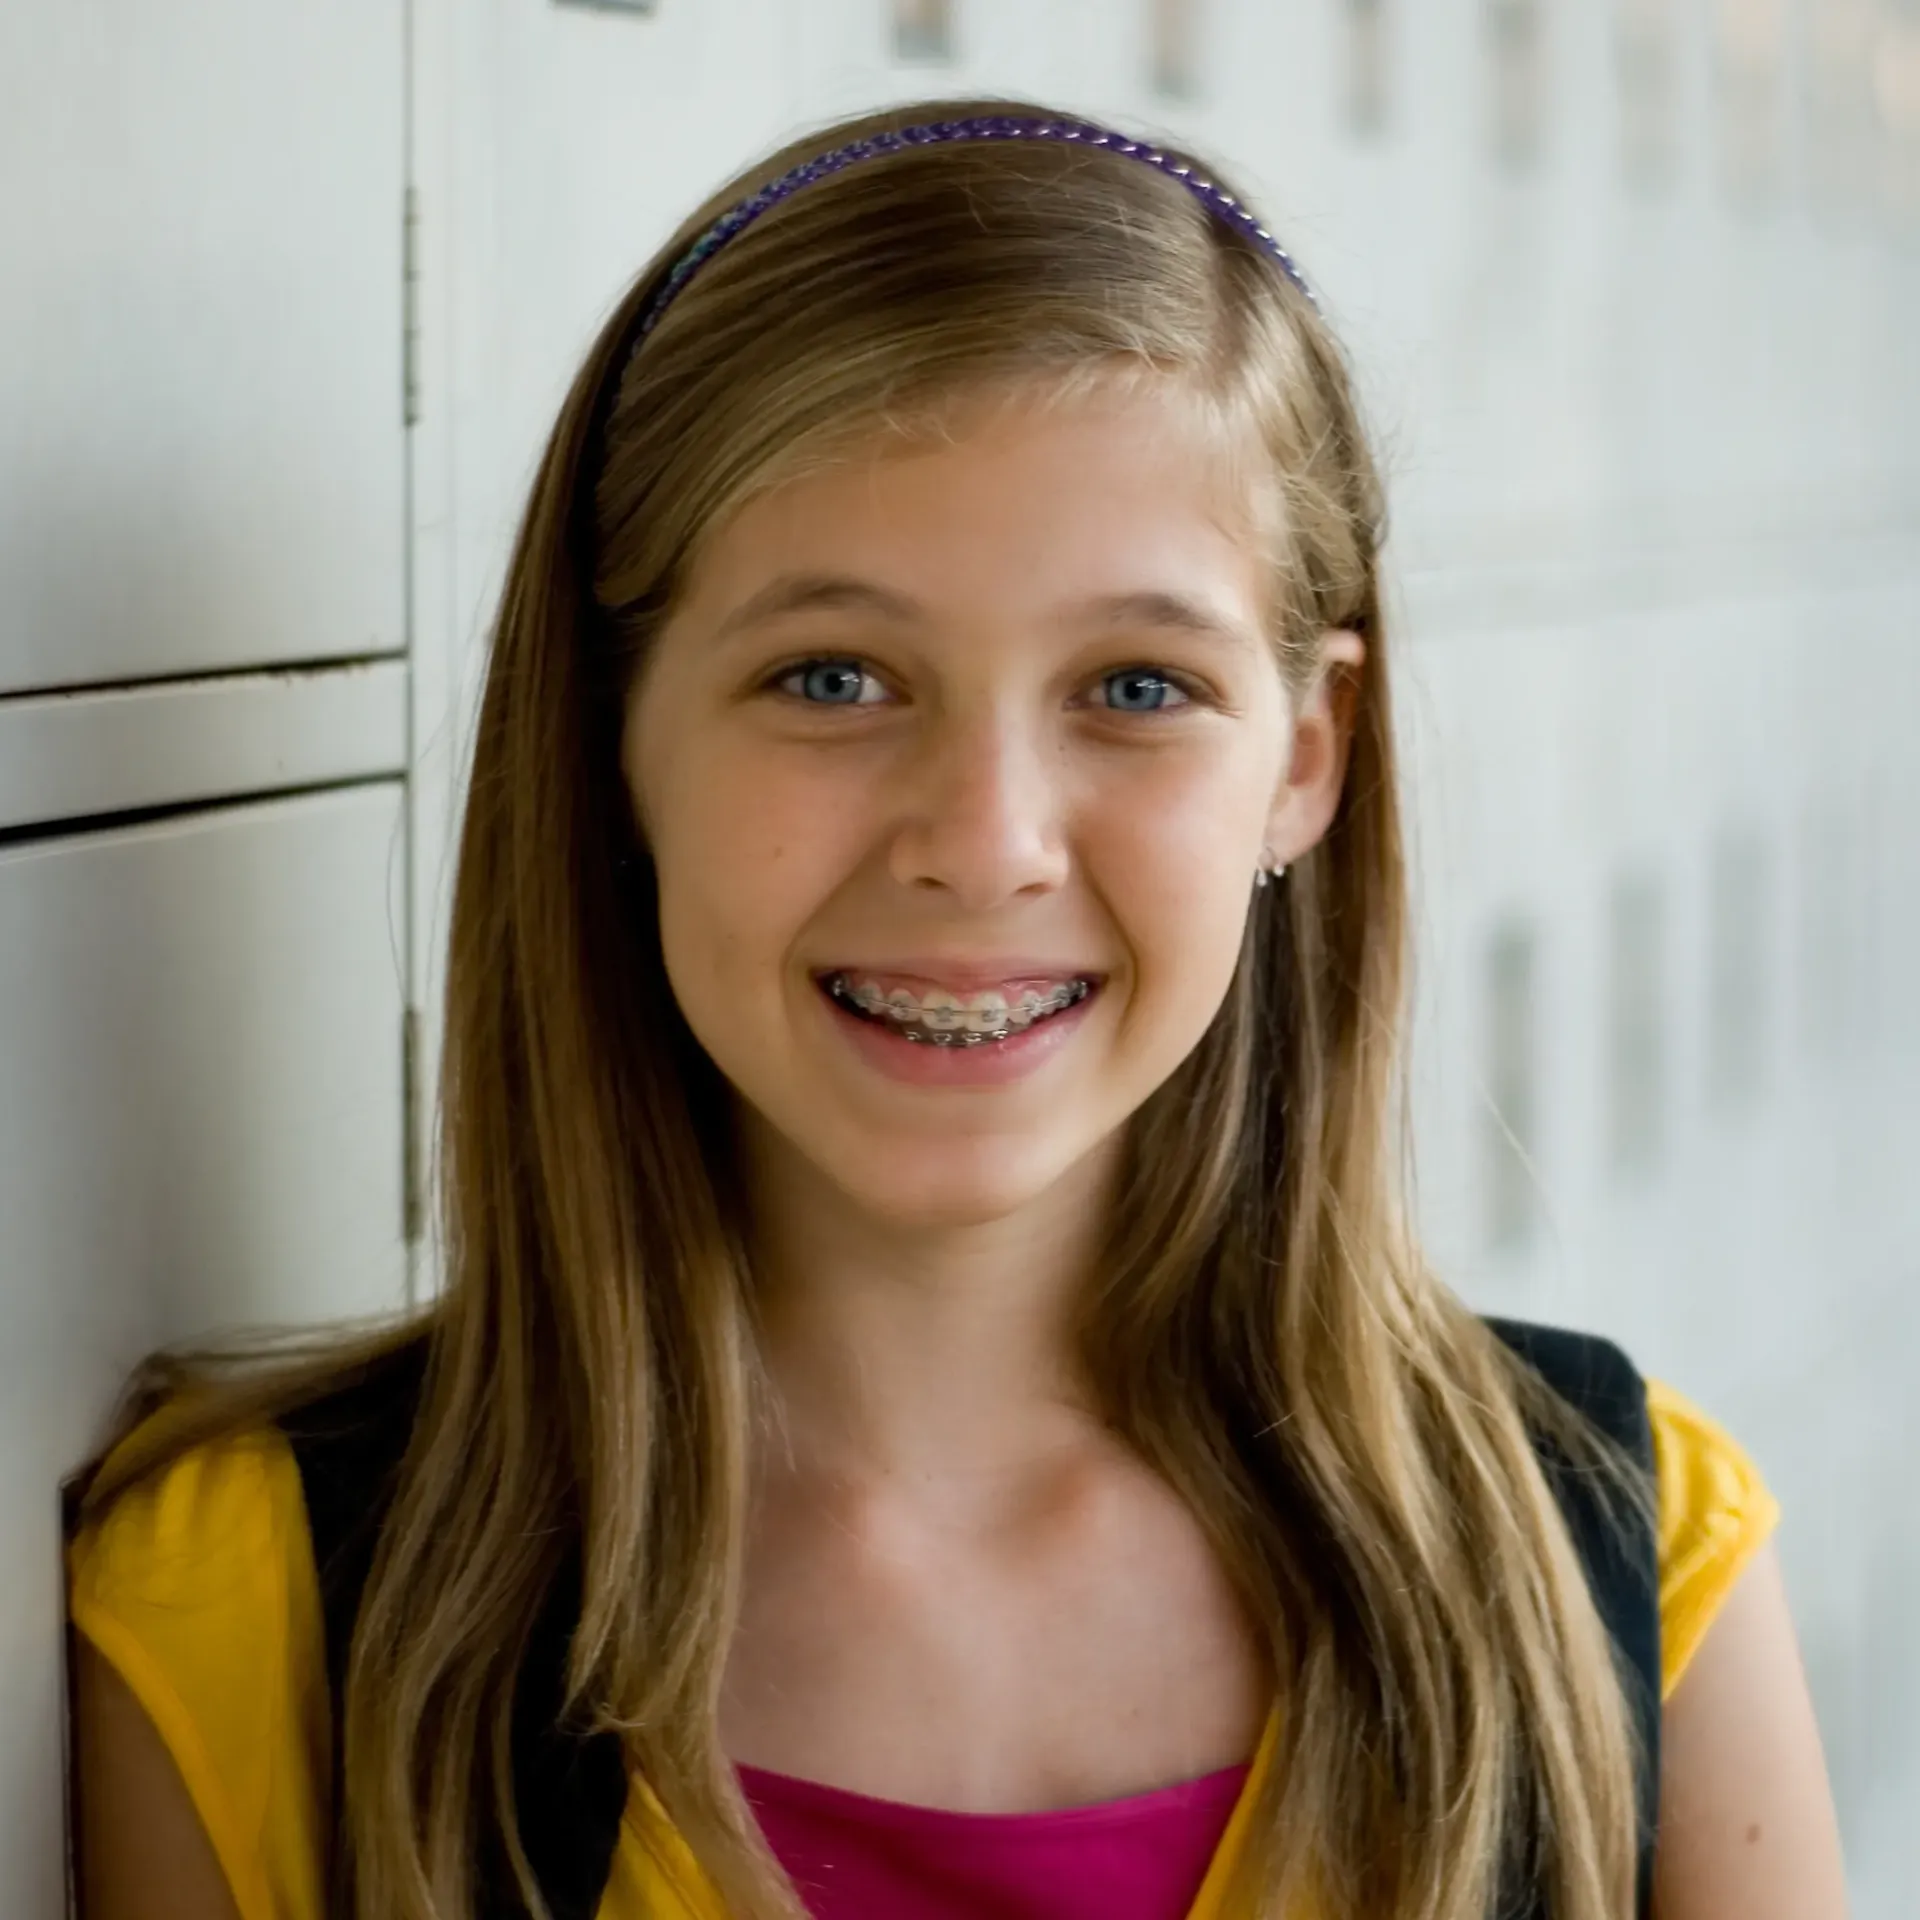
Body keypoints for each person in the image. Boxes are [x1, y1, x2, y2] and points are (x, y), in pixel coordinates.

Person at [67, 100, 1848, 1920]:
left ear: (1307, 760)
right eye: (833, 676)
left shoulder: (1628, 1569)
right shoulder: (267, 1618)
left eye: (1136, 685)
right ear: (614, 735)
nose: (984, 844)